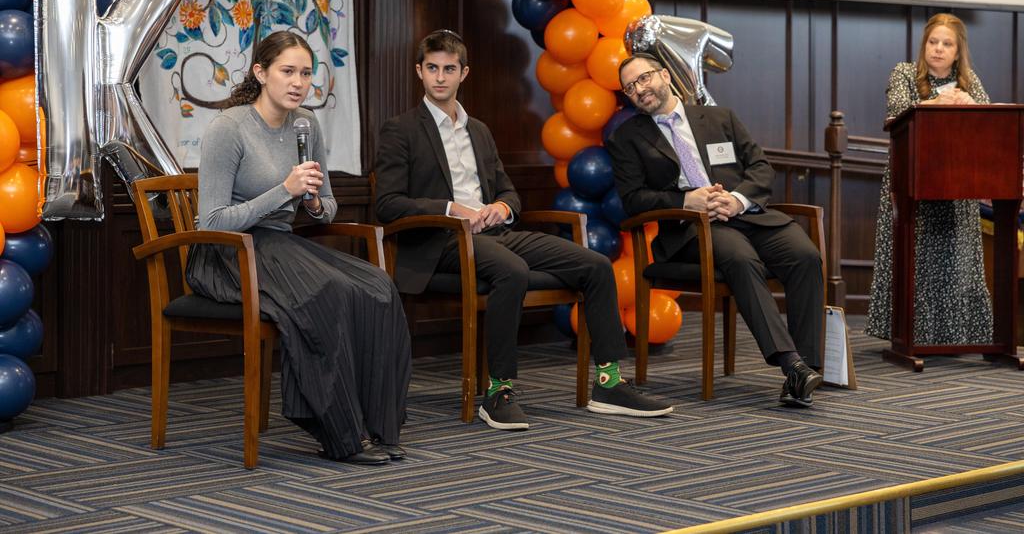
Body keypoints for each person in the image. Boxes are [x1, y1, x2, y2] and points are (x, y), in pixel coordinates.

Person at [374, 29, 672, 431]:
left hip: (495, 235)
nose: (440, 77)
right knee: (511, 270)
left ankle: (609, 384)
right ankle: (499, 391)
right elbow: (387, 203)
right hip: (440, 240)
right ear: (419, 71)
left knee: (595, 265)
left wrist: (501, 207)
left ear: (464, 73)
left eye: (449, 69)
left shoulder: (478, 130)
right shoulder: (401, 129)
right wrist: (450, 209)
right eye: (432, 68)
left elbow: (509, 192)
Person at [186, 31, 411, 465]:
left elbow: (327, 205)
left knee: (378, 286)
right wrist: (283, 190)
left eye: (306, 74)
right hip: (229, 253)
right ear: (260, 73)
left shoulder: (306, 123)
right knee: (329, 292)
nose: (298, 83)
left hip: (280, 245)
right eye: (287, 71)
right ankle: (341, 435)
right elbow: (210, 221)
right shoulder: (228, 129)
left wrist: (312, 203)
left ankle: (379, 424)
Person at [607, 52, 825, 408]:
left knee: (805, 256)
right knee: (740, 258)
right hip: (692, 229)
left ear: (665, 75)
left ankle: (807, 370)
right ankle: (791, 364)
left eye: (644, 78)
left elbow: (761, 167)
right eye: (629, 87)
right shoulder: (627, 138)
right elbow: (633, 199)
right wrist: (686, 200)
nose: (639, 89)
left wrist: (738, 200)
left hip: (747, 215)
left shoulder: (720, 117)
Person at [866, 13, 993, 344]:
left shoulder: (969, 81)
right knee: (916, 258)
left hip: (957, 184)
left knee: (954, 260)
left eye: (947, 44)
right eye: (933, 42)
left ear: (958, 51)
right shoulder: (904, 73)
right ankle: (908, 335)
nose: (938, 49)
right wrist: (937, 102)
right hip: (911, 181)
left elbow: (990, 125)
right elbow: (896, 113)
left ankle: (953, 337)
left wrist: (972, 106)